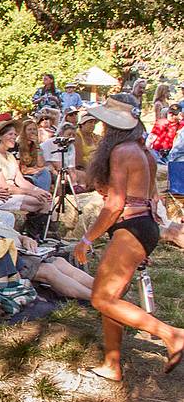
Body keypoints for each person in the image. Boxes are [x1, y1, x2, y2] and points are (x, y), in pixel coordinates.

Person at [74, 94, 184, 381]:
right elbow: (151, 197)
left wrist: (87, 239)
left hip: (131, 227)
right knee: (112, 297)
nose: (99, 128)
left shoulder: (122, 150)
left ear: (114, 125)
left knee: (101, 298)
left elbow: (115, 205)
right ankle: (112, 365)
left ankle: (171, 334)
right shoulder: (141, 150)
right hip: (142, 226)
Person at [0, 181, 93, 300]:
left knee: (60, 262)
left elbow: (16, 235)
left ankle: (104, 289)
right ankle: (95, 299)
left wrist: (26, 239)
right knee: (48, 270)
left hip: (24, 251)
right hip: (4, 259)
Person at [0, 120, 53, 214]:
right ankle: (37, 225)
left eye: (15, 135)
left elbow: (20, 180)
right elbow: (2, 186)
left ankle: (43, 225)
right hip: (0, 196)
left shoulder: (10, 155)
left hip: (13, 192)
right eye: (10, 134)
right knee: (40, 202)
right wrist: (31, 192)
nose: (14, 137)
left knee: (46, 199)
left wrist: (39, 190)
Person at [17, 119, 52, 192]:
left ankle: (43, 195)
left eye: (34, 129)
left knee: (45, 172)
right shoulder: (17, 145)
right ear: (24, 132)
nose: (32, 132)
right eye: (29, 129)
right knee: (43, 174)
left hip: (34, 172)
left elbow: (40, 164)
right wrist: (34, 170)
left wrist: (37, 146)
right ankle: (42, 195)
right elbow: (20, 169)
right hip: (22, 175)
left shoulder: (37, 146)